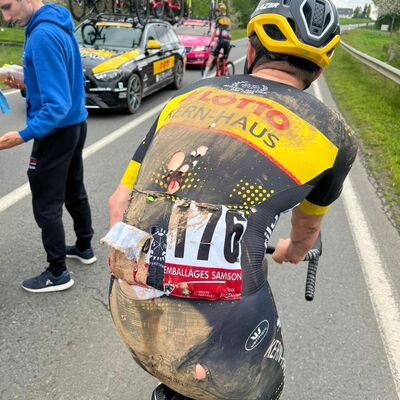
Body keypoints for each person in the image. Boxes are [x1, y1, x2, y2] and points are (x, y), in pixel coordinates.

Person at [105, 0, 357, 398]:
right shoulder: (333, 133)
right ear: (320, 69)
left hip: (126, 302)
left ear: (251, 51)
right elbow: (307, 230)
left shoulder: (185, 98)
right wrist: (292, 250)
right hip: (225, 332)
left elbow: (119, 206)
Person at [0, 0, 96, 293]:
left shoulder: (41, 34)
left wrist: (24, 134)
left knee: (46, 202)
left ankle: (57, 273)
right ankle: (84, 246)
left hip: (55, 130)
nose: (5, 17)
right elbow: (64, 79)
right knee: (73, 189)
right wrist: (26, 84)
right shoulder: (57, 22)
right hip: (75, 124)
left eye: (7, 6)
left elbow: (56, 104)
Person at [202, 3, 231, 78]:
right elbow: (229, 33)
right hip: (227, 42)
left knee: (211, 57)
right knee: (225, 59)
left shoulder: (218, 19)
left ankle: (204, 76)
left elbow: (214, 33)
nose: (217, 12)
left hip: (220, 41)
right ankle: (226, 73)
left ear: (221, 11)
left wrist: (210, 43)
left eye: (218, 11)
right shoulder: (228, 20)